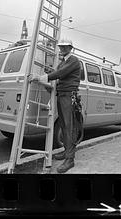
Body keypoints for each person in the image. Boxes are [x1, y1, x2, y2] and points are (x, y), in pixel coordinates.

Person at [30, 39, 81, 173]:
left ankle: (70, 159)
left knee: (69, 127)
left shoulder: (73, 60)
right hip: (62, 95)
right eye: (61, 47)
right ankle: (66, 152)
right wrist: (47, 78)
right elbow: (58, 76)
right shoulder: (63, 62)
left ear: (70, 47)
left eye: (65, 47)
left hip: (69, 96)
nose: (62, 49)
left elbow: (60, 74)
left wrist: (42, 77)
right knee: (64, 126)